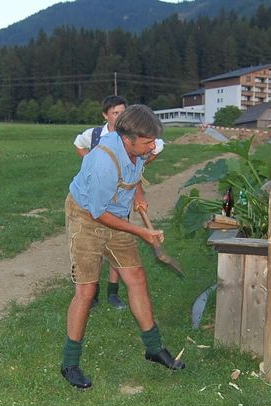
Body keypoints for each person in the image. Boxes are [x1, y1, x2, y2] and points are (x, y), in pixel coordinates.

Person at [62, 104, 184, 389]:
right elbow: (98, 213)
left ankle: (153, 348)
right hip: (87, 218)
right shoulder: (103, 160)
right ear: (127, 138)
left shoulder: (136, 149)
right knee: (86, 290)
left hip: (115, 216)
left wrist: (138, 192)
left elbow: (134, 171)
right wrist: (141, 232)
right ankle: (69, 364)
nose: (153, 146)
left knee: (136, 277)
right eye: (147, 141)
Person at [73, 95, 165, 310]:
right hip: (95, 204)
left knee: (120, 251)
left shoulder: (139, 137)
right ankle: (90, 293)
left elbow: (134, 169)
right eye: (115, 112)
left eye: (123, 112)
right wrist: (90, 161)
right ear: (106, 115)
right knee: (93, 254)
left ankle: (112, 292)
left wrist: (138, 193)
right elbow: (80, 147)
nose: (120, 116)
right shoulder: (99, 137)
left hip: (118, 205)